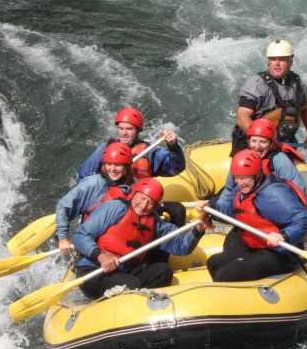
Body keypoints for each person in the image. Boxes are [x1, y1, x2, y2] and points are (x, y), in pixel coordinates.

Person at [71, 178, 215, 300]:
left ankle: (137, 302)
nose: (144, 205)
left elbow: (181, 246)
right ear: (134, 195)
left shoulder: (155, 223)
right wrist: (101, 256)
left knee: (163, 271)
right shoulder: (115, 208)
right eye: (142, 198)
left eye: (151, 202)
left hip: (123, 272)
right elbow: (79, 236)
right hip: (94, 270)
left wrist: (199, 229)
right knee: (132, 285)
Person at [206, 149, 307, 283]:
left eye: (244, 178)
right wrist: (210, 209)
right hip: (254, 246)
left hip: (279, 253)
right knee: (213, 263)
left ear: (257, 174)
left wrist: (284, 235)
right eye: (237, 177)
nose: (240, 183)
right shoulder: (241, 190)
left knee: (225, 275)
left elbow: (304, 219)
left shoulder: (274, 194)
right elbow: (231, 212)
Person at [231, 39, 307, 155]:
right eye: (273, 59)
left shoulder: (297, 85)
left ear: (290, 62)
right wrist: (262, 140)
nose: (276, 63)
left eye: (281, 59)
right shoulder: (257, 84)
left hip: (282, 145)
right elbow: (242, 117)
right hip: (254, 145)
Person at [55, 142, 136, 255]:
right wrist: (62, 238)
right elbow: (64, 205)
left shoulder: (135, 187)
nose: (112, 169)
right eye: (109, 164)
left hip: (125, 251)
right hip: (94, 250)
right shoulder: (94, 183)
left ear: (126, 166)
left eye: (118, 165)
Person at [77, 107, 186, 181]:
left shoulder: (149, 151)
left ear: (138, 130)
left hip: (139, 202)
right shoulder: (105, 148)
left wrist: (173, 146)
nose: (124, 133)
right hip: (110, 199)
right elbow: (84, 176)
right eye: (121, 128)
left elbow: (175, 168)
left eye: (129, 129)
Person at [222, 118, 307, 199]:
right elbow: (229, 189)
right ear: (248, 141)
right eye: (254, 141)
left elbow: (299, 190)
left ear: (271, 143)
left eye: (263, 142)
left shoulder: (280, 161)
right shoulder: (241, 158)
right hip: (247, 202)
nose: (257, 146)